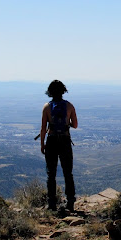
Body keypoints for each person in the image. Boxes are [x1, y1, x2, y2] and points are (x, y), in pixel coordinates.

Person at [40, 80, 78, 211]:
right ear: (63, 91)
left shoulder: (46, 107)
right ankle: (71, 202)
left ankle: (51, 204)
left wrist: (42, 145)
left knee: (51, 174)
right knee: (68, 173)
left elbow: (43, 128)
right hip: (65, 140)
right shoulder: (69, 106)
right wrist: (67, 123)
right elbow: (76, 125)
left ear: (50, 92)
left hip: (51, 141)